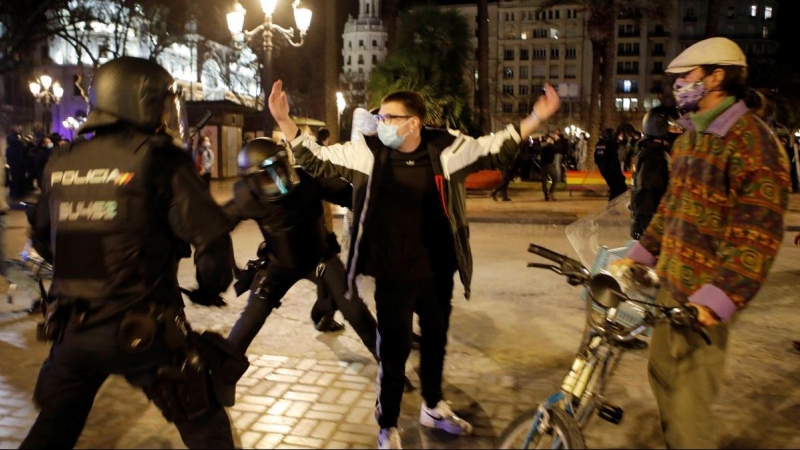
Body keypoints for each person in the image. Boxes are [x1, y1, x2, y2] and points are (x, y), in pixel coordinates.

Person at [268, 79, 561, 449]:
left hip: (438, 270)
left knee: (436, 341)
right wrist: (284, 120)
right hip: (393, 274)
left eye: (389, 117)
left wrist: (538, 115)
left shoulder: (447, 148)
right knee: (394, 351)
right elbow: (315, 158)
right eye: (379, 116)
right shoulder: (368, 152)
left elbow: (495, 148)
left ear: (414, 122)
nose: (382, 123)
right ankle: (387, 425)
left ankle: (433, 405)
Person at [20, 56, 244, 449]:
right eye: (161, 103)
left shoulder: (61, 161)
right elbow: (211, 238)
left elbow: (42, 239)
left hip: (74, 331)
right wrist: (211, 286)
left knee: (53, 430)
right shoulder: (160, 159)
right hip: (145, 333)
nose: (164, 114)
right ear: (138, 100)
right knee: (205, 425)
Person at [614, 37, 790, 448]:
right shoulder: (693, 137)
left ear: (716, 77)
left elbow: (758, 233)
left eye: (686, 78)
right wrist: (637, 258)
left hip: (703, 302)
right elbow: (672, 208)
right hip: (669, 288)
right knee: (661, 378)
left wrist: (718, 299)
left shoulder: (753, 142)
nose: (678, 86)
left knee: (689, 407)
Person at [223, 137, 380, 363]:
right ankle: (218, 375)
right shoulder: (247, 199)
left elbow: (355, 198)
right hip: (279, 265)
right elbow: (212, 228)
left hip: (320, 259)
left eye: (279, 172)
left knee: (354, 309)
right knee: (251, 318)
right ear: (252, 184)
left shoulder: (310, 181)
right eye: (267, 178)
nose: (278, 183)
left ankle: (389, 368)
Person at [629, 105, 681, 240]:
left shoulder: (653, 152)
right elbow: (646, 190)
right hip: (655, 230)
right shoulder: (654, 156)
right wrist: (643, 225)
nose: (678, 132)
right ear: (660, 128)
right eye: (674, 128)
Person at [594, 128, 628, 201]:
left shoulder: (599, 144)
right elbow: (613, 160)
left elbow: (596, 158)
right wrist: (619, 174)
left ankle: (611, 207)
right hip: (611, 170)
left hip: (603, 169)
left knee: (614, 188)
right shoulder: (611, 145)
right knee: (621, 187)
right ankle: (612, 206)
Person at [539, 134, 558, 201]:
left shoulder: (543, 147)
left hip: (543, 165)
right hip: (549, 164)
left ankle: (546, 195)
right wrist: (555, 140)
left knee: (544, 181)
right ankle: (551, 192)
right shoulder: (551, 147)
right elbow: (557, 148)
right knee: (555, 178)